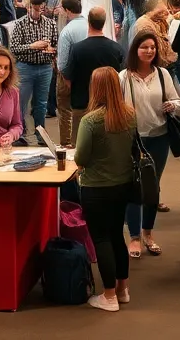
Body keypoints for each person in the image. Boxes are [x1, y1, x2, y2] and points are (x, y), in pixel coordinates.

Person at [74, 67, 137, 312]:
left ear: (95, 88)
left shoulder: (90, 120)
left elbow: (81, 157)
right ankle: (123, 289)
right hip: (123, 184)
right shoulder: (130, 114)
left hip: (96, 186)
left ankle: (108, 296)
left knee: (101, 239)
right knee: (116, 236)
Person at [120, 31, 180, 258]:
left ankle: (148, 232)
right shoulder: (123, 77)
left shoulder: (163, 74)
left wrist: (172, 105)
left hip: (159, 137)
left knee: (152, 188)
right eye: (144, 47)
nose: (149, 51)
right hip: (132, 139)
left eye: (152, 48)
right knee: (134, 187)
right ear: (135, 50)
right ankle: (134, 236)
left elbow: (178, 100)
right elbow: (114, 108)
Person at [65, 7, 126, 137]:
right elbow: (122, 77)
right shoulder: (116, 49)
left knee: (79, 149)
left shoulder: (77, 49)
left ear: (89, 22)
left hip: (82, 104)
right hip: (109, 108)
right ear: (104, 23)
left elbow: (68, 77)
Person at [9, 0, 58, 147]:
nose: (39, 12)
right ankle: (20, 134)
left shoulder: (51, 24)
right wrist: (32, 46)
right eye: (36, 9)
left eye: (42, 9)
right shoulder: (20, 24)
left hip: (45, 68)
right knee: (21, 103)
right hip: (25, 67)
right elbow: (14, 48)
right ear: (30, 7)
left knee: (41, 104)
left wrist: (51, 50)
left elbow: (56, 45)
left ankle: (40, 134)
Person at [54, 0, 86, 147]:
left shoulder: (67, 31)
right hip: (87, 76)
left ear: (67, 10)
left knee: (65, 110)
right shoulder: (89, 25)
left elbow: (63, 62)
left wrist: (65, 80)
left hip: (68, 76)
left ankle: (67, 143)